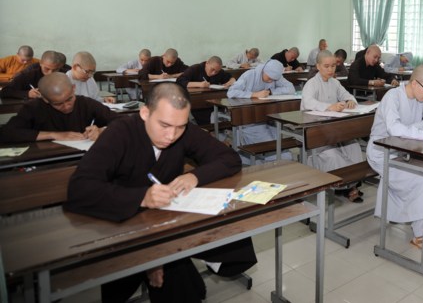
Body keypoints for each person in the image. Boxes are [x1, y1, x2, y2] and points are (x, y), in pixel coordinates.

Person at [65, 83, 257, 303]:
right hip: (124, 219)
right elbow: (80, 188)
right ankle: (157, 262)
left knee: (227, 235)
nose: (171, 135)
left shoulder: (182, 130)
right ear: (145, 113)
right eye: (164, 125)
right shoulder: (119, 132)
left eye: (180, 126)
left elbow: (230, 158)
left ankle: (166, 260)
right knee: (163, 276)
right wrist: (142, 197)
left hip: (167, 219)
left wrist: (194, 176)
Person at [366, 65, 423, 255]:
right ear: (415, 83)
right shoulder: (393, 97)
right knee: (422, 179)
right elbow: (394, 129)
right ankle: (421, 234)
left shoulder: (421, 96)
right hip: (382, 153)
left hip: (405, 149)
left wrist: (414, 128)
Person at [301, 50, 363, 202]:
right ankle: (343, 186)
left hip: (334, 130)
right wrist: (329, 107)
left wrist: (350, 101)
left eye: (333, 66)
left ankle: (352, 181)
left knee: (354, 146)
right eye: (326, 66)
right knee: (333, 156)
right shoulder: (311, 84)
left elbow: (347, 95)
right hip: (317, 134)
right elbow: (308, 102)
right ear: (318, 66)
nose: (330, 70)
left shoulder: (335, 83)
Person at [0, 72, 117, 143]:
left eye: (69, 99)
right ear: (45, 99)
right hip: (46, 160)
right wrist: (53, 135)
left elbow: (122, 121)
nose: (66, 106)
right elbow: (6, 133)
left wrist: (102, 130)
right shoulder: (33, 108)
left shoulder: (86, 103)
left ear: (73, 89)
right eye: (58, 104)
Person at [227, 61, 295, 159]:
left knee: (279, 145)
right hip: (249, 119)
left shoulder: (275, 76)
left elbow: (290, 88)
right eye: (269, 78)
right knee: (279, 154)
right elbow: (231, 92)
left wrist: (271, 91)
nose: (271, 81)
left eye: (274, 79)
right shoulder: (249, 75)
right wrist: (254, 94)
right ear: (264, 71)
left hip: (268, 118)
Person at [0, 50, 66, 99]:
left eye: (55, 70)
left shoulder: (65, 74)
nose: (50, 73)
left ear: (60, 66)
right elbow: (4, 92)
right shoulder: (28, 75)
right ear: (40, 63)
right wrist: (27, 94)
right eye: (46, 69)